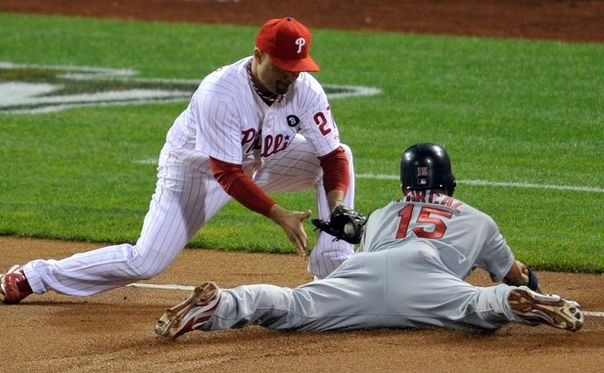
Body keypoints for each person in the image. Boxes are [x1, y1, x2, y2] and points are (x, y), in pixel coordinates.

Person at [0, 17, 356, 304]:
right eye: (283, 66)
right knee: (146, 260)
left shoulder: (305, 88)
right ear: (258, 55)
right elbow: (227, 174)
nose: (291, 75)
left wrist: (337, 205)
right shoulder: (221, 94)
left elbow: (332, 154)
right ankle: (37, 275)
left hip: (258, 164)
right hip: (195, 172)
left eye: (297, 66)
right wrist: (279, 214)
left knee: (342, 156)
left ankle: (331, 271)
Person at [154, 143, 584, 340]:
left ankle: (225, 303)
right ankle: (511, 304)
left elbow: (375, 255)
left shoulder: (382, 213)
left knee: (295, 305)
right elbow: (513, 272)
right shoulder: (478, 219)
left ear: (402, 185)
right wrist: (528, 284)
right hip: (427, 277)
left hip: (363, 270)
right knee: (476, 307)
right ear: (450, 181)